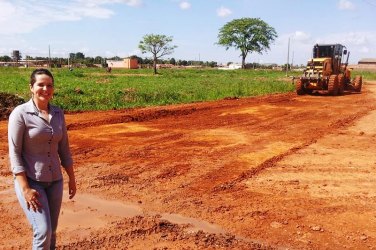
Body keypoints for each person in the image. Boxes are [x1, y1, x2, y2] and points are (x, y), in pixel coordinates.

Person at [8, 68, 76, 250]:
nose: (45, 89)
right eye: (40, 85)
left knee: (52, 232)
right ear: (31, 87)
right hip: (31, 181)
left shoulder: (58, 114)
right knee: (43, 231)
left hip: (55, 181)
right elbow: (14, 153)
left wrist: (72, 178)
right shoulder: (20, 114)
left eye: (49, 85)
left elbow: (64, 149)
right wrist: (25, 189)